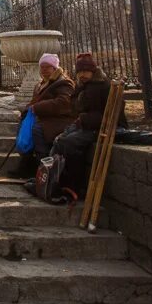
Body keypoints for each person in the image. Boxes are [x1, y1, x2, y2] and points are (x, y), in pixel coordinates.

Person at [51, 53, 120, 197]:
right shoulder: (82, 86)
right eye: (80, 72)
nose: (82, 75)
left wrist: (84, 119)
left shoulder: (103, 85)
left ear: (92, 71)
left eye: (85, 71)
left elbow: (112, 114)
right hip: (85, 125)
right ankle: (54, 181)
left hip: (102, 127)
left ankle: (74, 186)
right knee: (58, 141)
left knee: (70, 143)